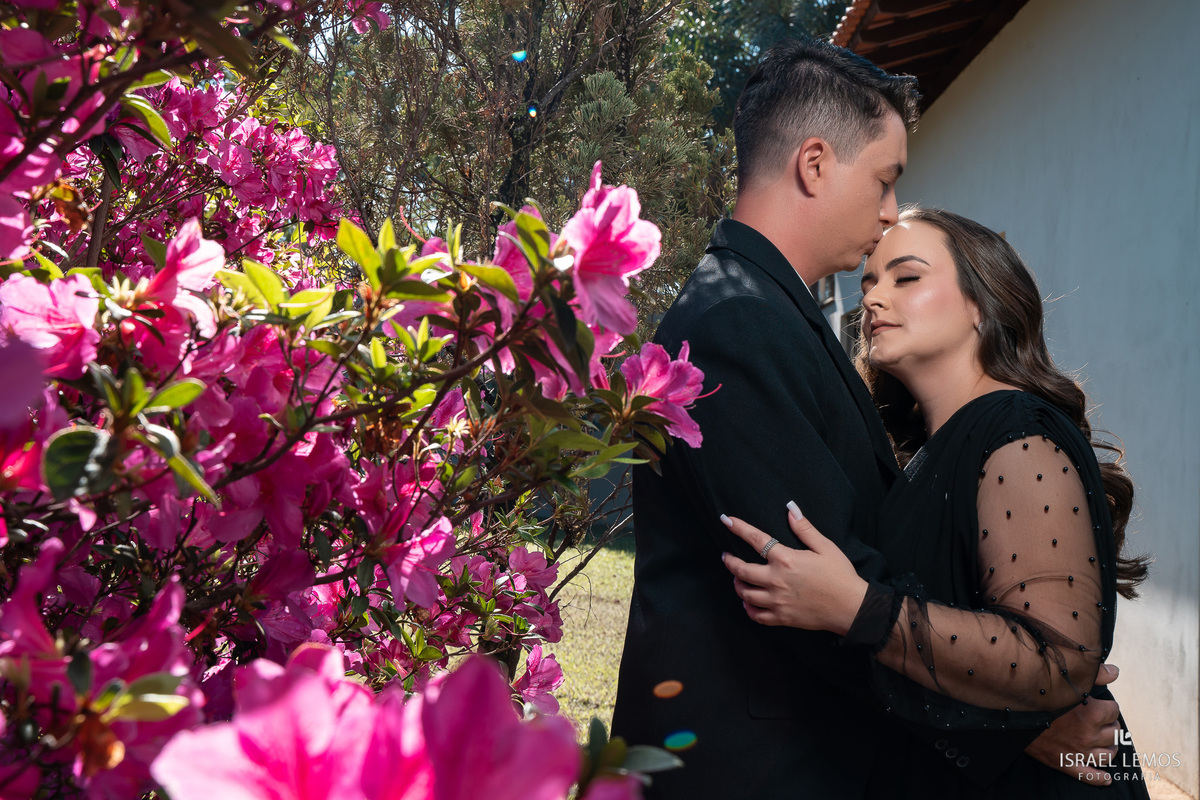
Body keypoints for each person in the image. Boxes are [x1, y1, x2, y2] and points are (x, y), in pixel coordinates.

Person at [611, 37, 1123, 799]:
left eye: (909, 274)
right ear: (814, 164)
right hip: (756, 771)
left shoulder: (779, 316)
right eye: (885, 181)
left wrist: (1025, 697)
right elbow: (805, 588)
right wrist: (1018, 717)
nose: (888, 214)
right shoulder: (736, 321)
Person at [721, 207, 1151, 798]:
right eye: (869, 282)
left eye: (906, 277)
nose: (872, 299)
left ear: (981, 302)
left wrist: (856, 607)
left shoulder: (1016, 430)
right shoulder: (929, 453)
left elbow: (1060, 659)